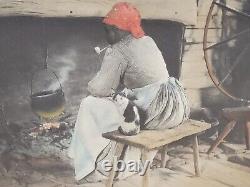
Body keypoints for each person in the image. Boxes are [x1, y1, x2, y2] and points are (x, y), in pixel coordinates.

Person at [68, 2, 190, 183]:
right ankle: (129, 150)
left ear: (117, 30)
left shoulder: (118, 50)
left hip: (155, 112)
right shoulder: (147, 40)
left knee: (89, 104)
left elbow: (99, 89)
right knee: (123, 99)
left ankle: (92, 165)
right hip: (176, 105)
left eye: (107, 30)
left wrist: (94, 80)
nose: (106, 34)